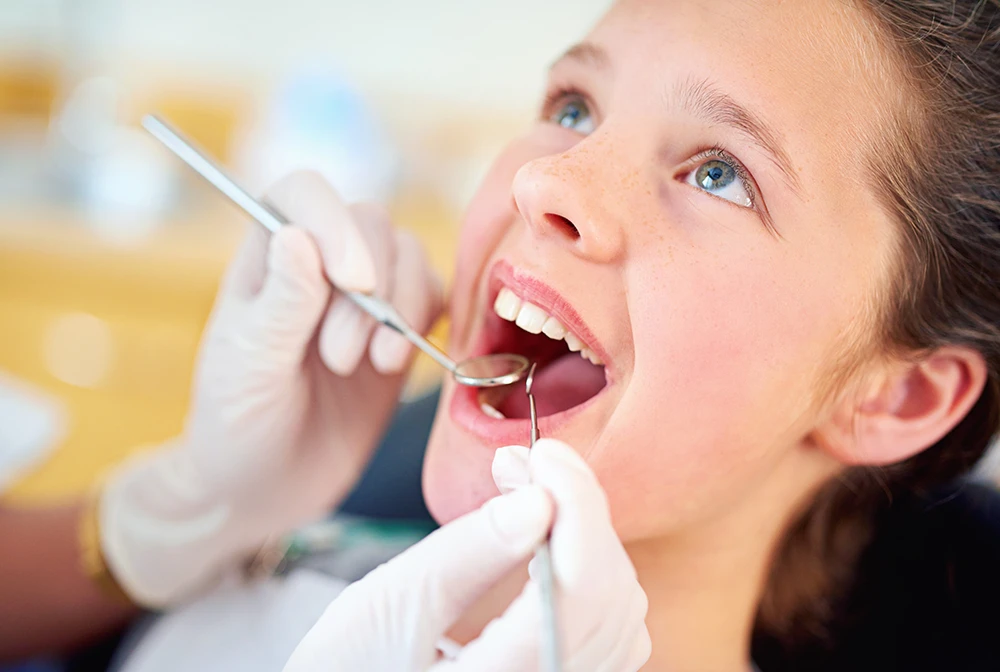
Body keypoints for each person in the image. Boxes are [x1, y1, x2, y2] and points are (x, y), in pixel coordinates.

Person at [5, 0, 1000, 669]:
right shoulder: (296, 557)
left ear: (894, 396)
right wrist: (175, 516)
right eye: (574, 105)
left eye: (718, 172)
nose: (544, 179)